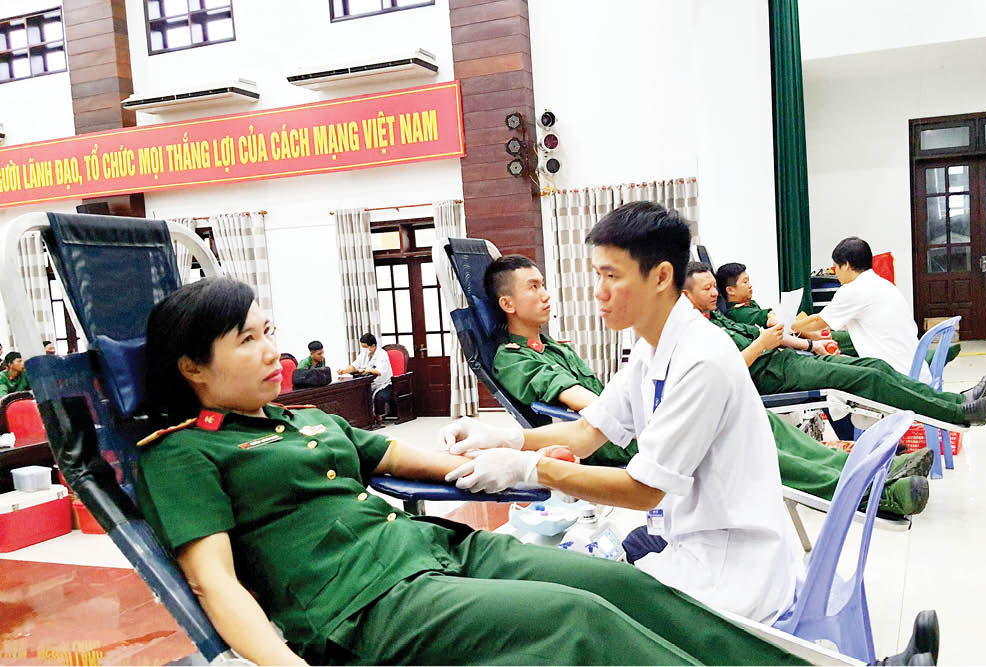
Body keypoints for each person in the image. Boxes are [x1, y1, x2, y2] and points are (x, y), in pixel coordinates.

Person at [135, 277, 808, 666]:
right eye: (246, 340)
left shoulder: (306, 419)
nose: (270, 352)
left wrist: (502, 455)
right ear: (193, 368)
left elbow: (404, 458)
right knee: (574, 619)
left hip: (438, 550)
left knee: (622, 585)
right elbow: (213, 581)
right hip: (368, 604)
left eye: (268, 332)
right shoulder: (182, 453)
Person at [442, 201, 803, 621]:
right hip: (696, 539)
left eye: (612, 276)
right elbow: (586, 433)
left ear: (661, 276)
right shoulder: (651, 350)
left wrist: (528, 468)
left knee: (574, 612)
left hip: (731, 569)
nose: (599, 291)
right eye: (597, 275)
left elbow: (644, 490)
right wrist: (507, 438)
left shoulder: (701, 359)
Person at [486, 254, 932, 515]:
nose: (546, 294)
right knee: (738, 445)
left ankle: (873, 469)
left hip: (629, 423)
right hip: (617, 442)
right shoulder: (514, 357)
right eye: (533, 287)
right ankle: (878, 493)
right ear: (507, 303)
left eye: (544, 284)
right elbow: (586, 409)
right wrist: (644, 410)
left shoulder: (555, 346)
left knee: (757, 422)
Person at [704, 263, 986, 427]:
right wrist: (768, 343)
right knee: (869, 377)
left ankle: (956, 401)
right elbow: (735, 366)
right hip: (776, 374)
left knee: (876, 366)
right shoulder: (706, 332)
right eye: (706, 289)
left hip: (791, 360)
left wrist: (808, 346)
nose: (714, 293)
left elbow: (772, 335)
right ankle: (958, 413)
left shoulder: (720, 318)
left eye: (713, 287)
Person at [792, 237, 962, 383]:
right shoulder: (882, 284)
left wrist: (788, 326)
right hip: (917, 371)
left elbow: (818, 322)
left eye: (835, 267)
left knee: (830, 377)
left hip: (896, 376)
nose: (835, 273)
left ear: (847, 265)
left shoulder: (853, 289)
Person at [339, 333, 393, 419]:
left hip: (383, 384)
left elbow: (379, 372)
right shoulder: (364, 354)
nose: (363, 349)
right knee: (356, 395)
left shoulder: (382, 354)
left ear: (373, 346)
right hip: (367, 384)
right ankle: (363, 419)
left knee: (380, 398)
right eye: (362, 347)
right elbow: (354, 366)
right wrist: (344, 371)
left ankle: (378, 418)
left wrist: (365, 370)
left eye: (365, 347)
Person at [714, 262, 780, 328]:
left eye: (748, 281)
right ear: (730, 290)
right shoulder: (737, 314)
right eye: (745, 282)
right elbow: (769, 319)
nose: (750, 285)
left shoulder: (749, 304)